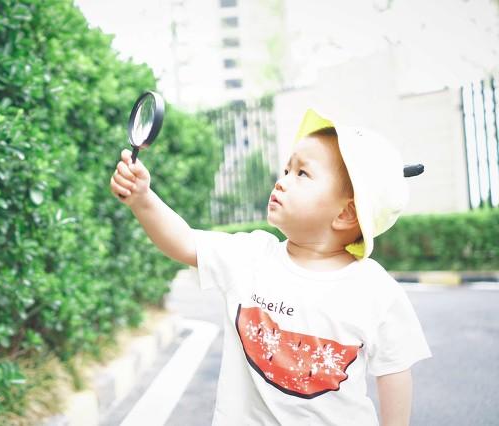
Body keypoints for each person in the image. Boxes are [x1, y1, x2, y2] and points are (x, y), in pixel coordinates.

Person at [109, 108, 431, 426]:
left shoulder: (374, 289)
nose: (282, 182)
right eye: (287, 170)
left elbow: (394, 370)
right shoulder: (251, 255)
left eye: (302, 174)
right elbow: (184, 242)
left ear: (346, 214)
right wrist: (143, 199)